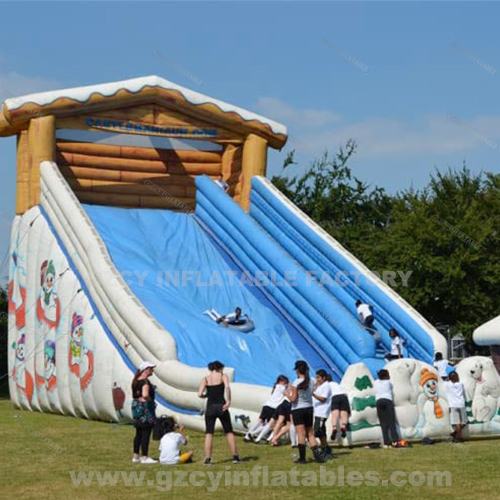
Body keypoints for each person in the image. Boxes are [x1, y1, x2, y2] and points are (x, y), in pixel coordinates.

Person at [198, 360, 241, 465]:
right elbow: (227, 387)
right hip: (221, 406)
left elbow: (199, 394)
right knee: (229, 432)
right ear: (220, 368)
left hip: (210, 407)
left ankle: (208, 458)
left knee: (209, 433)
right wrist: (229, 401)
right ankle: (235, 457)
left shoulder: (205, 379)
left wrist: (206, 396)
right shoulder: (223, 376)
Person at [286, 360, 325, 464]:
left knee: (301, 434)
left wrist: (287, 393)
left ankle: (302, 458)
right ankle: (318, 456)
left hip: (298, 409)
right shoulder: (312, 380)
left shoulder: (296, 382)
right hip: (309, 408)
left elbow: (293, 399)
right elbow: (312, 391)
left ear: (297, 370)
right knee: (310, 434)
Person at [244, 375, 288, 442]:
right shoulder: (282, 387)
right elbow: (288, 394)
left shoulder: (276, 386)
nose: (286, 384)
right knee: (270, 425)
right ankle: (255, 435)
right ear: (281, 381)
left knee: (260, 421)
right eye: (285, 382)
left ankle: (248, 435)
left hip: (266, 405)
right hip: (273, 407)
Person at [131, 361, 158, 464]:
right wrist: (151, 400)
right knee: (146, 432)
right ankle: (145, 457)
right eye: (151, 369)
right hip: (145, 408)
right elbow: (145, 395)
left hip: (136, 408)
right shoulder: (145, 382)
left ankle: (136, 456)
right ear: (146, 370)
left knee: (138, 432)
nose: (152, 371)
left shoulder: (136, 381)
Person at [374, 369, 400, 448]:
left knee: (383, 423)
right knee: (391, 422)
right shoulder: (389, 383)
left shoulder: (375, 382)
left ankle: (386, 442)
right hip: (388, 400)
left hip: (378, 401)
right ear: (386, 376)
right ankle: (395, 441)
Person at [312, 369, 332, 458]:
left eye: (318, 377)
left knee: (316, 431)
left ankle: (319, 449)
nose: (317, 379)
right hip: (318, 412)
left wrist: (313, 394)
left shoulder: (326, 386)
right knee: (321, 431)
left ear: (324, 378)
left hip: (322, 412)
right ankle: (326, 448)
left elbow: (323, 399)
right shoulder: (321, 386)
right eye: (316, 377)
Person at [445, 371, 467, 443]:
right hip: (461, 404)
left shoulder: (448, 384)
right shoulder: (461, 384)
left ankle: (457, 436)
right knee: (463, 422)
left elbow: (445, 381)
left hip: (453, 405)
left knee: (457, 422)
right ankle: (457, 436)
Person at [328, 373, 350, 441]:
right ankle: (343, 426)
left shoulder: (326, 385)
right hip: (343, 396)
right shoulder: (336, 383)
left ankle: (334, 428)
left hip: (335, 397)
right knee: (344, 413)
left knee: (335, 414)